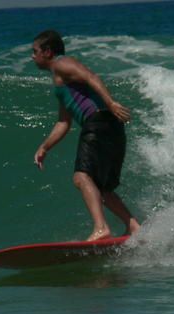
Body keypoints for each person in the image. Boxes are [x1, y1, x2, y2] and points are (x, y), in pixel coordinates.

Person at [32, 30, 141, 241]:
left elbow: (91, 77)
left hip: (98, 123)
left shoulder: (62, 64)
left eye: (35, 51)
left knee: (82, 177)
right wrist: (44, 147)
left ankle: (101, 228)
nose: (32, 56)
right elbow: (64, 121)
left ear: (47, 52)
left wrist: (110, 102)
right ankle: (134, 227)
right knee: (102, 189)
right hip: (110, 126)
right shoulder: (59, 79)